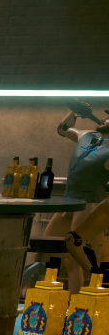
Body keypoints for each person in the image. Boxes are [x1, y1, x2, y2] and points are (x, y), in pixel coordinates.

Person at [50, 109, 109, 291]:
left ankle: (75, 302)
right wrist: (74, 112)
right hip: (68, 200)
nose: (105, 118)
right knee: (47, 250)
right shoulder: (87, 135)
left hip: (87, 202)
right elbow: (63, 129)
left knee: (72, 258)